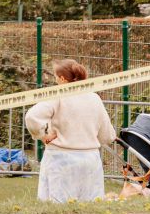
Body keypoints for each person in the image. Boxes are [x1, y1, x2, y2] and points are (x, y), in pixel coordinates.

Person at [25, 59, 115, 202]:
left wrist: (42, 135)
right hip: (90, 160)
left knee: (57, 207)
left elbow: (32, 117)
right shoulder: (94, 98)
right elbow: (107, 135)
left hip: (61, 160)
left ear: (62, 79)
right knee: (91, 208)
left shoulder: (57, 95)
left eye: (55, 76)